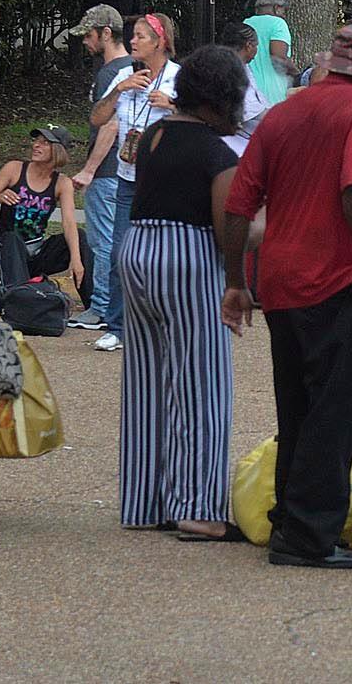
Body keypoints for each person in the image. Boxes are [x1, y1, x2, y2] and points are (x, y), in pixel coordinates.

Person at [220, 25, 352, 569]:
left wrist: (236, 281)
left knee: (295, 405)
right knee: (332, 411)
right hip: (334, 278)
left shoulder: (282, 113)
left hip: (277, 278)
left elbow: (238, 204)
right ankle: (310, 536)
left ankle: (288, 522)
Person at [117, 45, 246, 540]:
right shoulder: (217, 153)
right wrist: (237, 281)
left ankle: (145, 500)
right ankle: (195, 506)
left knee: (147, 383)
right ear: (222, 98)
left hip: (139, 250)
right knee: (200, 386)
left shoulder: (155, 134)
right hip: (188, 258)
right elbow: (228, 222)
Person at [89, 12, 181, 352]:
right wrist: (120, 91)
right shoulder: (124, 76)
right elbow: (97, 118)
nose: (133, 40)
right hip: (128, 178)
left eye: (141, 36)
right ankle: (117, 326)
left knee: (165, 255)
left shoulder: (178, 78)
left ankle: (166, 322)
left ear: (160, 42)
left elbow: (204, 119)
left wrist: (172, 104)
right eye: (134, 35)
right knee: (119, 253)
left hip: (165, 182)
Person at [67, 5, 132, 335]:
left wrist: (89, 169)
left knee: (102, 242)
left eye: (89, 36)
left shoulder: (111, 73)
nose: (86, 43)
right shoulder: (131, 68)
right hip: (121, 171)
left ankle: (102, 307)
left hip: (107, 171)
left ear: (106, 33)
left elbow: (109, 126)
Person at [0, 127, 84, 290]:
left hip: (35, 253)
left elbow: (69, 222)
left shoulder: (62, 183)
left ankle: (97, 307)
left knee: (80, 238)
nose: (37, 145)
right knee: (12, 238)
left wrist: (76, 259)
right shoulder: (14, 169)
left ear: (58, 151)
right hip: (6, 250)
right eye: (36, 141)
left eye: (45, 143)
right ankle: (18, 299)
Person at [245, 0, 294, 106]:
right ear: (277, 8)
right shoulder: (278, 23)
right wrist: (296, 73)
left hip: (250, 94)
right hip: (274, 93)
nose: (284, 15)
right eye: (284, 11)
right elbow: (278, 57)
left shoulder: (246, 23)